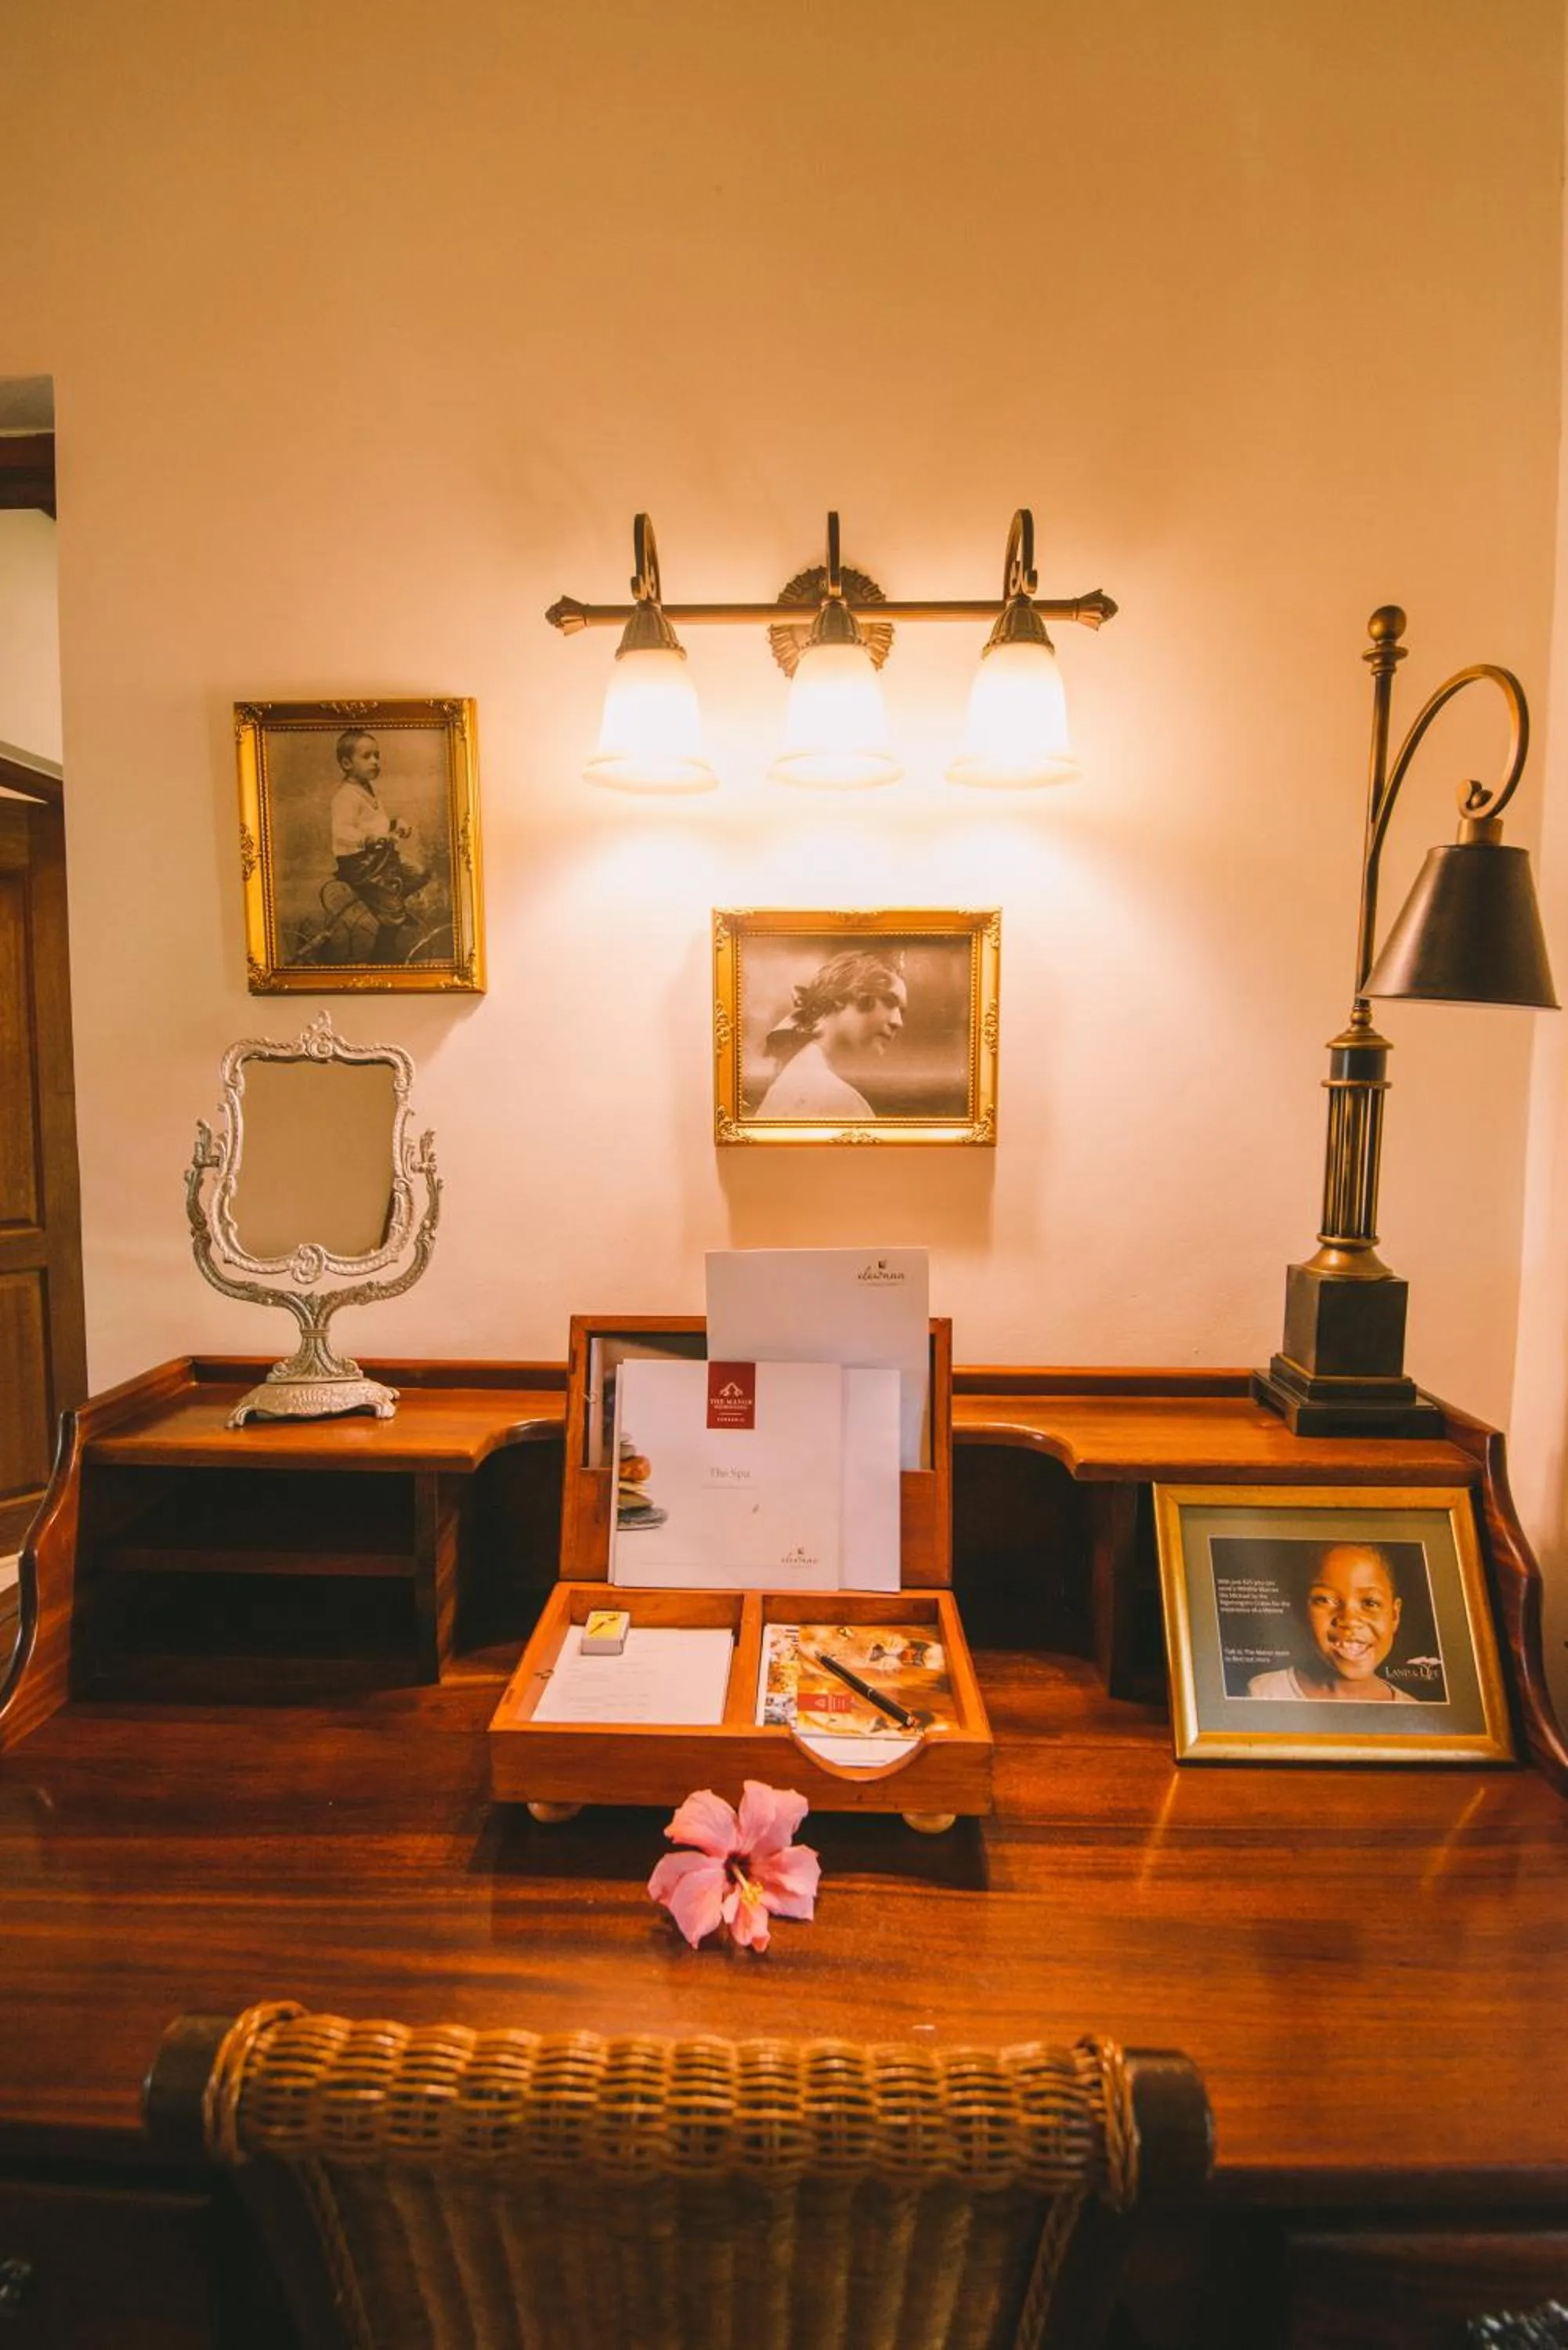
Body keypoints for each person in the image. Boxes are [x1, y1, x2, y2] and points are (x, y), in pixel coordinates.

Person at [1248, 1542, 1420, 1701]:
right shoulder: (1262, 1693)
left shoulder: (1414, 1711)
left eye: (1370, 1603)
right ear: (1301, 1610)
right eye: (1324, 1600)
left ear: (1395, 1616)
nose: (1350, 1621)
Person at [753, 949, 907, 1118]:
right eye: (889, 1002)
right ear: (839, 998)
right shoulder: (834, 1098)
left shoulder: (794, 1078)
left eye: (901, 1012)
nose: (898, 1022)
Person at [327, 729, 430, 963]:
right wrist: (369, 840)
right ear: (346, 763)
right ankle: (382, 953)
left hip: (381, 860)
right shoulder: (345, 797)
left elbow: (377, 824)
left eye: (377, 756)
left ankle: (390, 906)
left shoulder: (367, 790)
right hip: (360, 864)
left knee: (420, 874)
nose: (375, 761)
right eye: (367, 756)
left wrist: (396, 824)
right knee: (394, 914)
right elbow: (342, 831)